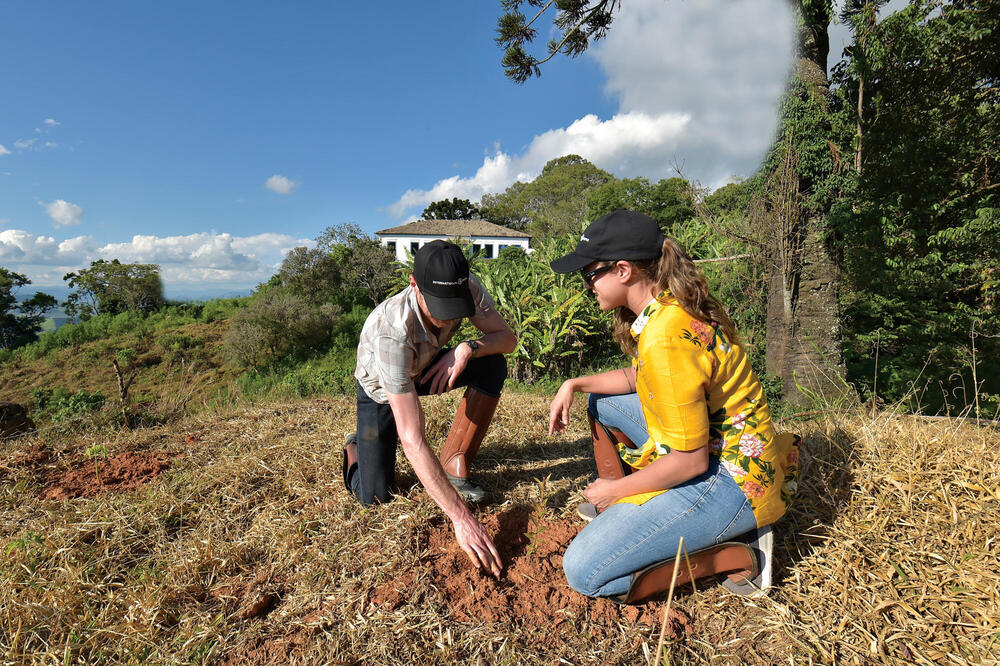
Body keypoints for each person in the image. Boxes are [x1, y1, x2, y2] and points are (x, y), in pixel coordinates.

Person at [548, 210, 800, 602]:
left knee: (585, 570)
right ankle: (637, 510)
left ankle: (737, 552)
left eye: (590, 274)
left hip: (730, 477)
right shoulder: (665, 309)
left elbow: (691, 463)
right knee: (604, 401)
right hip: (724, 445)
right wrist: (574, 383)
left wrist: (618, 490)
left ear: (623, 270)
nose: (587, 285)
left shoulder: (666, 336)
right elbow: (640, 379)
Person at [345, 240, 517, 577]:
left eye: (454, 305)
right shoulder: (391, 331)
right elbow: (413, 438)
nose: (448, 316)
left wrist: (468, 347)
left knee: (492, 365)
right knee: (374, 496)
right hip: (380, 391)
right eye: (439, 306)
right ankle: (356, 448)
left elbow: (506, 339)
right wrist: (461, 518)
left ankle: (456, 461)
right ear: (414, 284)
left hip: (428, 367)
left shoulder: (468, 288)